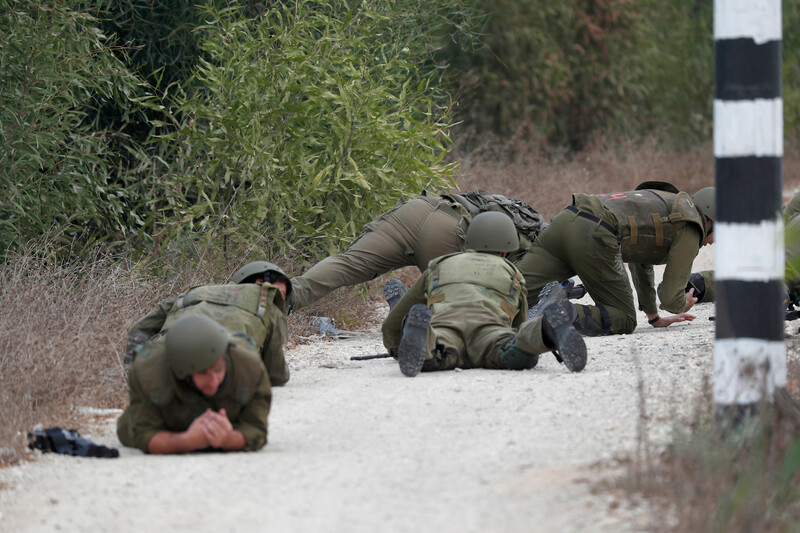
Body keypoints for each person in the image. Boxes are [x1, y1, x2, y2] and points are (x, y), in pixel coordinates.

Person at [381, 212, 586, 377]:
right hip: (490, 333)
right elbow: (519, 325)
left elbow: (392, 323)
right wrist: (518, 337)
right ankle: (545, 329)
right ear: (506, 252)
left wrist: (397, 349)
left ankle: (424, 336)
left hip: (445, 329)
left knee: (434, 352)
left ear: (470, 242)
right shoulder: (512, 272)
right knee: (520, 349)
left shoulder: (439, 265)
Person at [289, 190, 546, 312]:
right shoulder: (535, 239)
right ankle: (408, 310)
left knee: (348, 263)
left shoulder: (505, 210)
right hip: (448, 231)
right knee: (462, 306)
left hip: (415, 211)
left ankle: (285, 294)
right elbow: (512, 288)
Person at [515, 181, 715, 336]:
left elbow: (641, 259)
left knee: (512, 296)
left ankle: (490, 315)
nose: (715, 242)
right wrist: (682, 304)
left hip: (567, 219)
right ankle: (554, 311)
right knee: (624, 318)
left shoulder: (668, 202)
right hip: (595, 233)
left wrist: (654, 317)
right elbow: (671, 297)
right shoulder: (691, 224)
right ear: (709, 219)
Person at [117, 314, 272, 454]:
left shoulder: (249, 365)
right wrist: (187, 441)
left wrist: (228, 439)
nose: (213, 381)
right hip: (169, 418)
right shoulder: (149, 373)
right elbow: (145, 435)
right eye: (203, 373)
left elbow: (257, 430)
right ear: (183, 373)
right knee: (126, 429)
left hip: (228, 425)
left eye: (218, 369)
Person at [125, 261, 291, 386]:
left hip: (168, 355)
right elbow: (276, 374)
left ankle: (141, 369)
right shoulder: (267, 307)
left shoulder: (193, 293)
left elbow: (138, 329)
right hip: (218, 371)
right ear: (259, 283)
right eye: (280, 293)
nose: (281, 300)